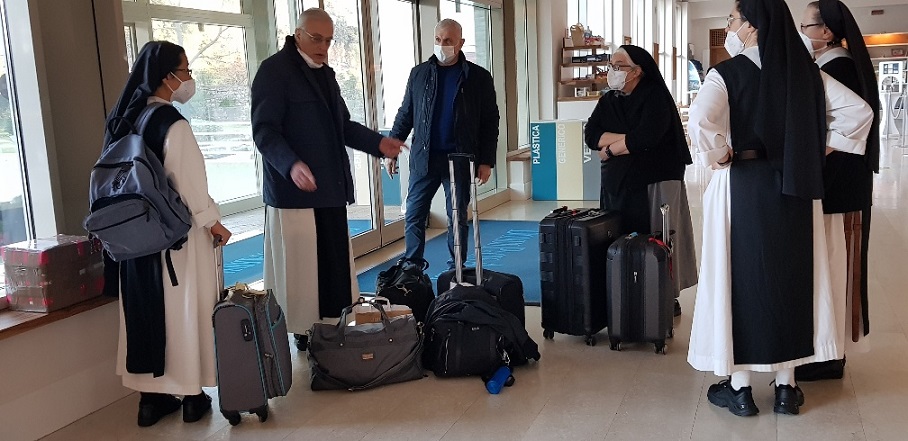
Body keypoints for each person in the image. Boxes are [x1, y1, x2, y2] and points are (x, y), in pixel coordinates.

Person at [687, 0, 873, 417]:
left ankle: (740, 389)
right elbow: (858, 113)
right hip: (796, 186)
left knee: (740, 279)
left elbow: (700, 121)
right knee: (793, 278)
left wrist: (719, 154)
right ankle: (787, 387)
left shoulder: (727, 73)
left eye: (732, 20)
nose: (729, 27)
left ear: (752, 25)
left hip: (743, 184)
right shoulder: (806, 72)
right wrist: (816, 149)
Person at [251, 8, 405, 351]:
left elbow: (343, 126)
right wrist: (291, 164)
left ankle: (334, 326)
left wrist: (378, 144)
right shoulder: (274, 72)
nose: (323, 47)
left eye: (329, 40)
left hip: (330, 188)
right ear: (298, 34)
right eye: (316, 39)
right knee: (302, 270)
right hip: (294, 193)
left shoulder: (326, 74)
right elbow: (264, 131)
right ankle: (304, 331)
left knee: (334, 267)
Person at [104, 41, 232, 427]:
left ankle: (150, 401)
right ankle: (192, 397)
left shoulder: (126, 119)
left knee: (145, 314)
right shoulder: (173, 124)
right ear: (166, 77)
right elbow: (189, 186)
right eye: (186, 70)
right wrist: (213, 223)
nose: (189, 78)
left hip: (133, 238)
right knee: (183, 311)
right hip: (174, 238)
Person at [795, 0, 879, 382]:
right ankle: (827, 350)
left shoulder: (837, 68)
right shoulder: (832, 65)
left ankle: (830, 355)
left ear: (826, 31)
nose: (802, 33)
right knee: (831, 267)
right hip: (838, 184)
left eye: (806, 26)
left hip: (839, 187)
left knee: (835, 267)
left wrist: (810, 152)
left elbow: (849, 123)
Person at [584, 45, 698, 314]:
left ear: (636, 71)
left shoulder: (655, 96)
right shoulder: (609, 99)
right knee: (620, 234)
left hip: (655, 179)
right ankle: (624, 290)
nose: (612, 71)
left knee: (658, 237)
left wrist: (610, 149)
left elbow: (648, 136)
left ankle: (663, 294)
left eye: (619, 66)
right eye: (610, 65)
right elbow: (591, 135)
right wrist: (629, 140)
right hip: (618, 181)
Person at [387, 19, 500, 271]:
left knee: (457, 216)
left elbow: (490, 121)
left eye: (448, 40)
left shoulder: (478, 77)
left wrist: (486, 161)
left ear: (460, 42)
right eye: (438, 39)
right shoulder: (419, 74)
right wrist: (392, 148)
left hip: (459, 158)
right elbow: (406, 113)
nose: (442, 45)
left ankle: (456, 268)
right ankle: (412, 267)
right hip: (424, 158)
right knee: (414, 214)